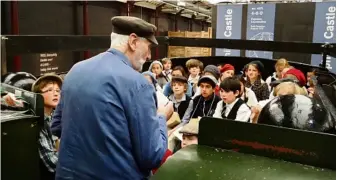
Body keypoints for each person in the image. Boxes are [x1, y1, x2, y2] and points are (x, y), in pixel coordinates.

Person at [52, 16, 174, 180]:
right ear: (133, 41)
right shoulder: (138, 84)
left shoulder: (75, 70)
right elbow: (152, 156)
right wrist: (161, 117)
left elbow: (57, 126)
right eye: (148, 46)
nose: (149, 55)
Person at [31, 73, 63, 180]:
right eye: (49, 90)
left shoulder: (55, 117)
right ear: (38, 96)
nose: (56, 94)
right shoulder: (39, 123)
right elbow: (52, 163)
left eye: (58, 91)